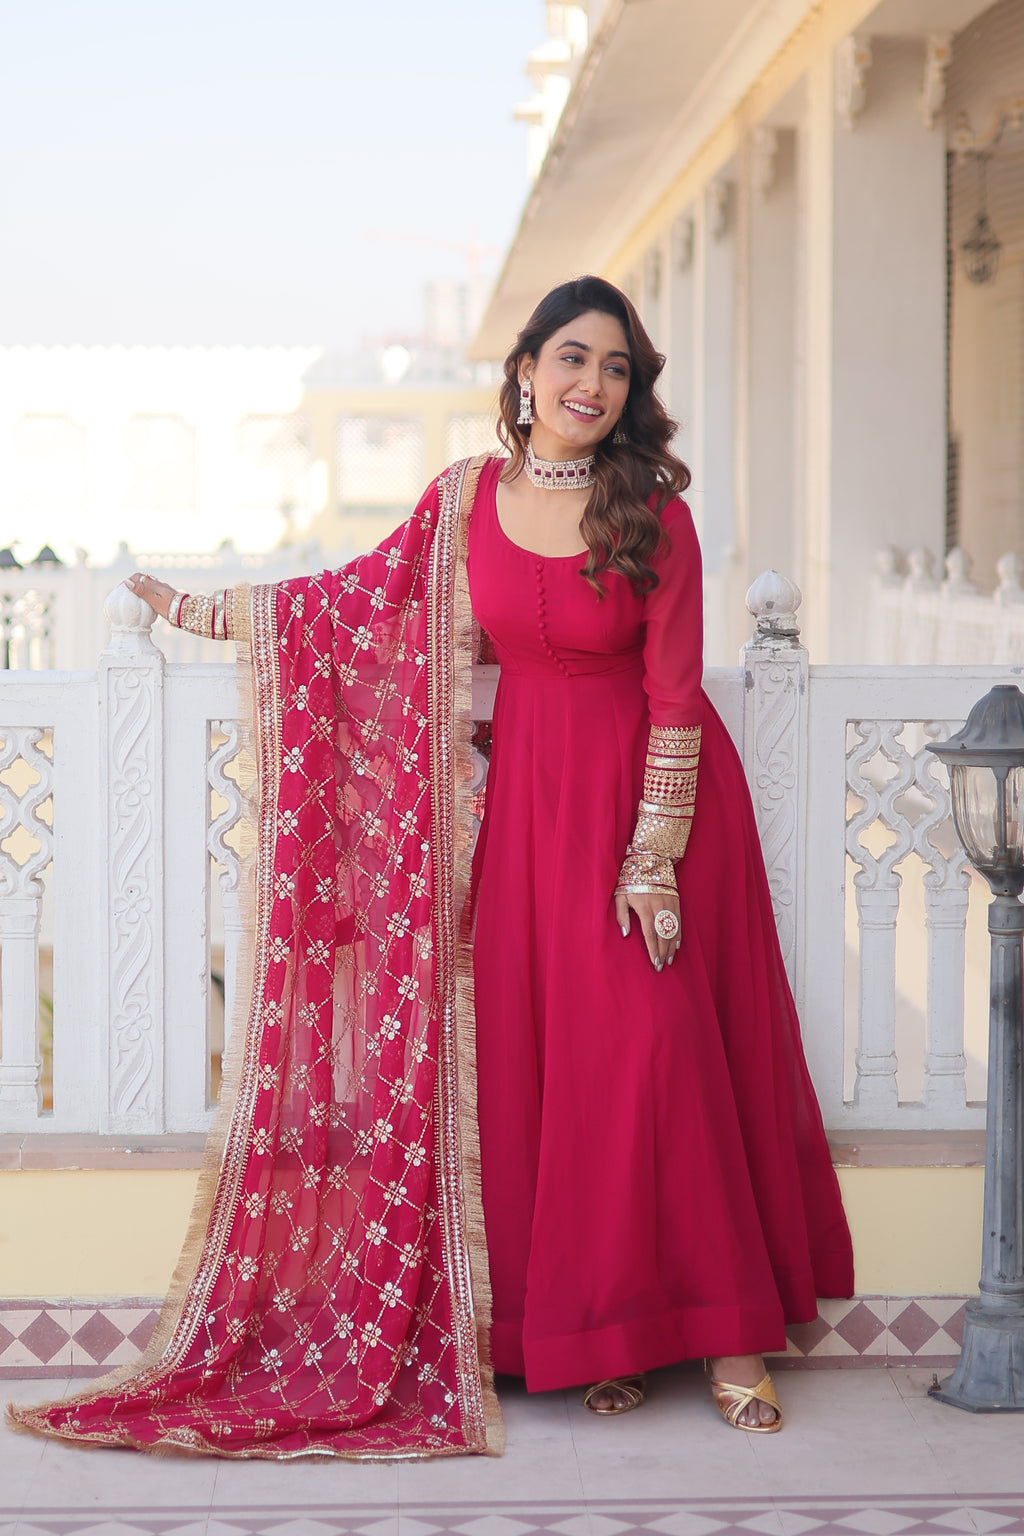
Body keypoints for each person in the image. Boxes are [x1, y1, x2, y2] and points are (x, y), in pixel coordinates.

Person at [8, 277, 852, 1461]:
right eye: (570, 359)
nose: (590, 386)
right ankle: (607, 1334)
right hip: (527, 816)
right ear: (521, 371)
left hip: (650, 810)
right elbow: (358, 606)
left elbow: (673, 690)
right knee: (557, 1075)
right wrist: (203, 611)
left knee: (655, 1050)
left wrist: (651, 858)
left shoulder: (652, 511)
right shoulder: (463, 503)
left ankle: (726, 1339)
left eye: (615, 369)